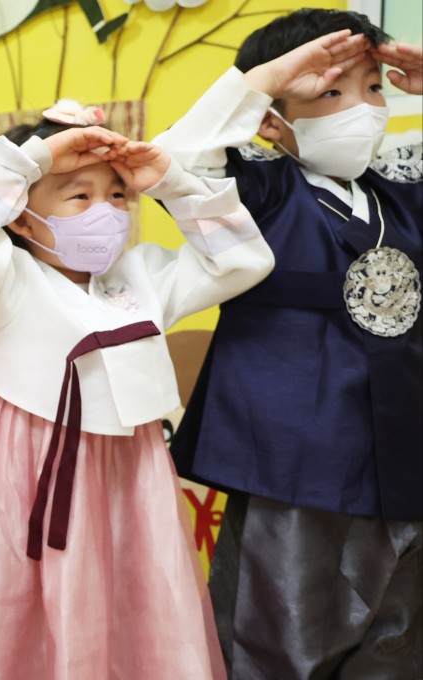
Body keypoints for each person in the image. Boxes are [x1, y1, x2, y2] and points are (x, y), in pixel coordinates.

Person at [0, 101, 275, 680]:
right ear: (21, 218)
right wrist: (35, 157)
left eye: (115, 196)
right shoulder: (0, 279)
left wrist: (175, 183)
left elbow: (244, 260)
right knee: (16, 601)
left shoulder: (143, 276)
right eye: (77, 196)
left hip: (131, 468)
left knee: (137, 596)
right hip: (26, 462)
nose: (104, 212)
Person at [153, 10, 423, 678]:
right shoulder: (257, 193)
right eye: (330, 93)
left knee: (397, 645)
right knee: (277, 644)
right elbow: (174, 163)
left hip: (405, 452)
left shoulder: (403, 194)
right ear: (271, 122)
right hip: (292, 459)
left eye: (372, 88)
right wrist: (260, 81)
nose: (360, 110)